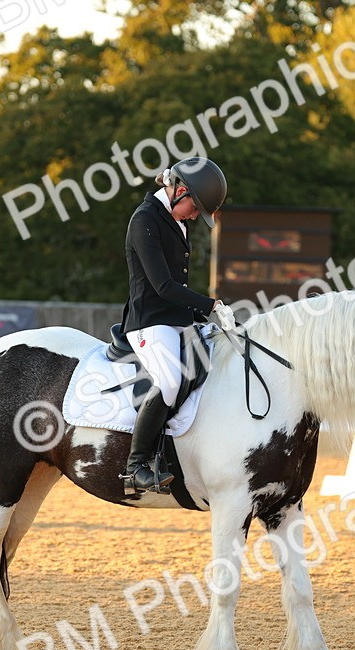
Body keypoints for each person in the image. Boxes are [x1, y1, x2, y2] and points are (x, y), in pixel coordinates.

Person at [119, 157, 236, 493]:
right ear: (179, 191)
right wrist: (210, 305)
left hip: (176, 319)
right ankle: (137, 464)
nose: (196, 215)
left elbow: (178, 289)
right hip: (149, 323)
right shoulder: (144, 221)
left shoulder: (176, 219)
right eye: (195, 208)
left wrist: (202, 316)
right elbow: (163, 286)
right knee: (170, 381)